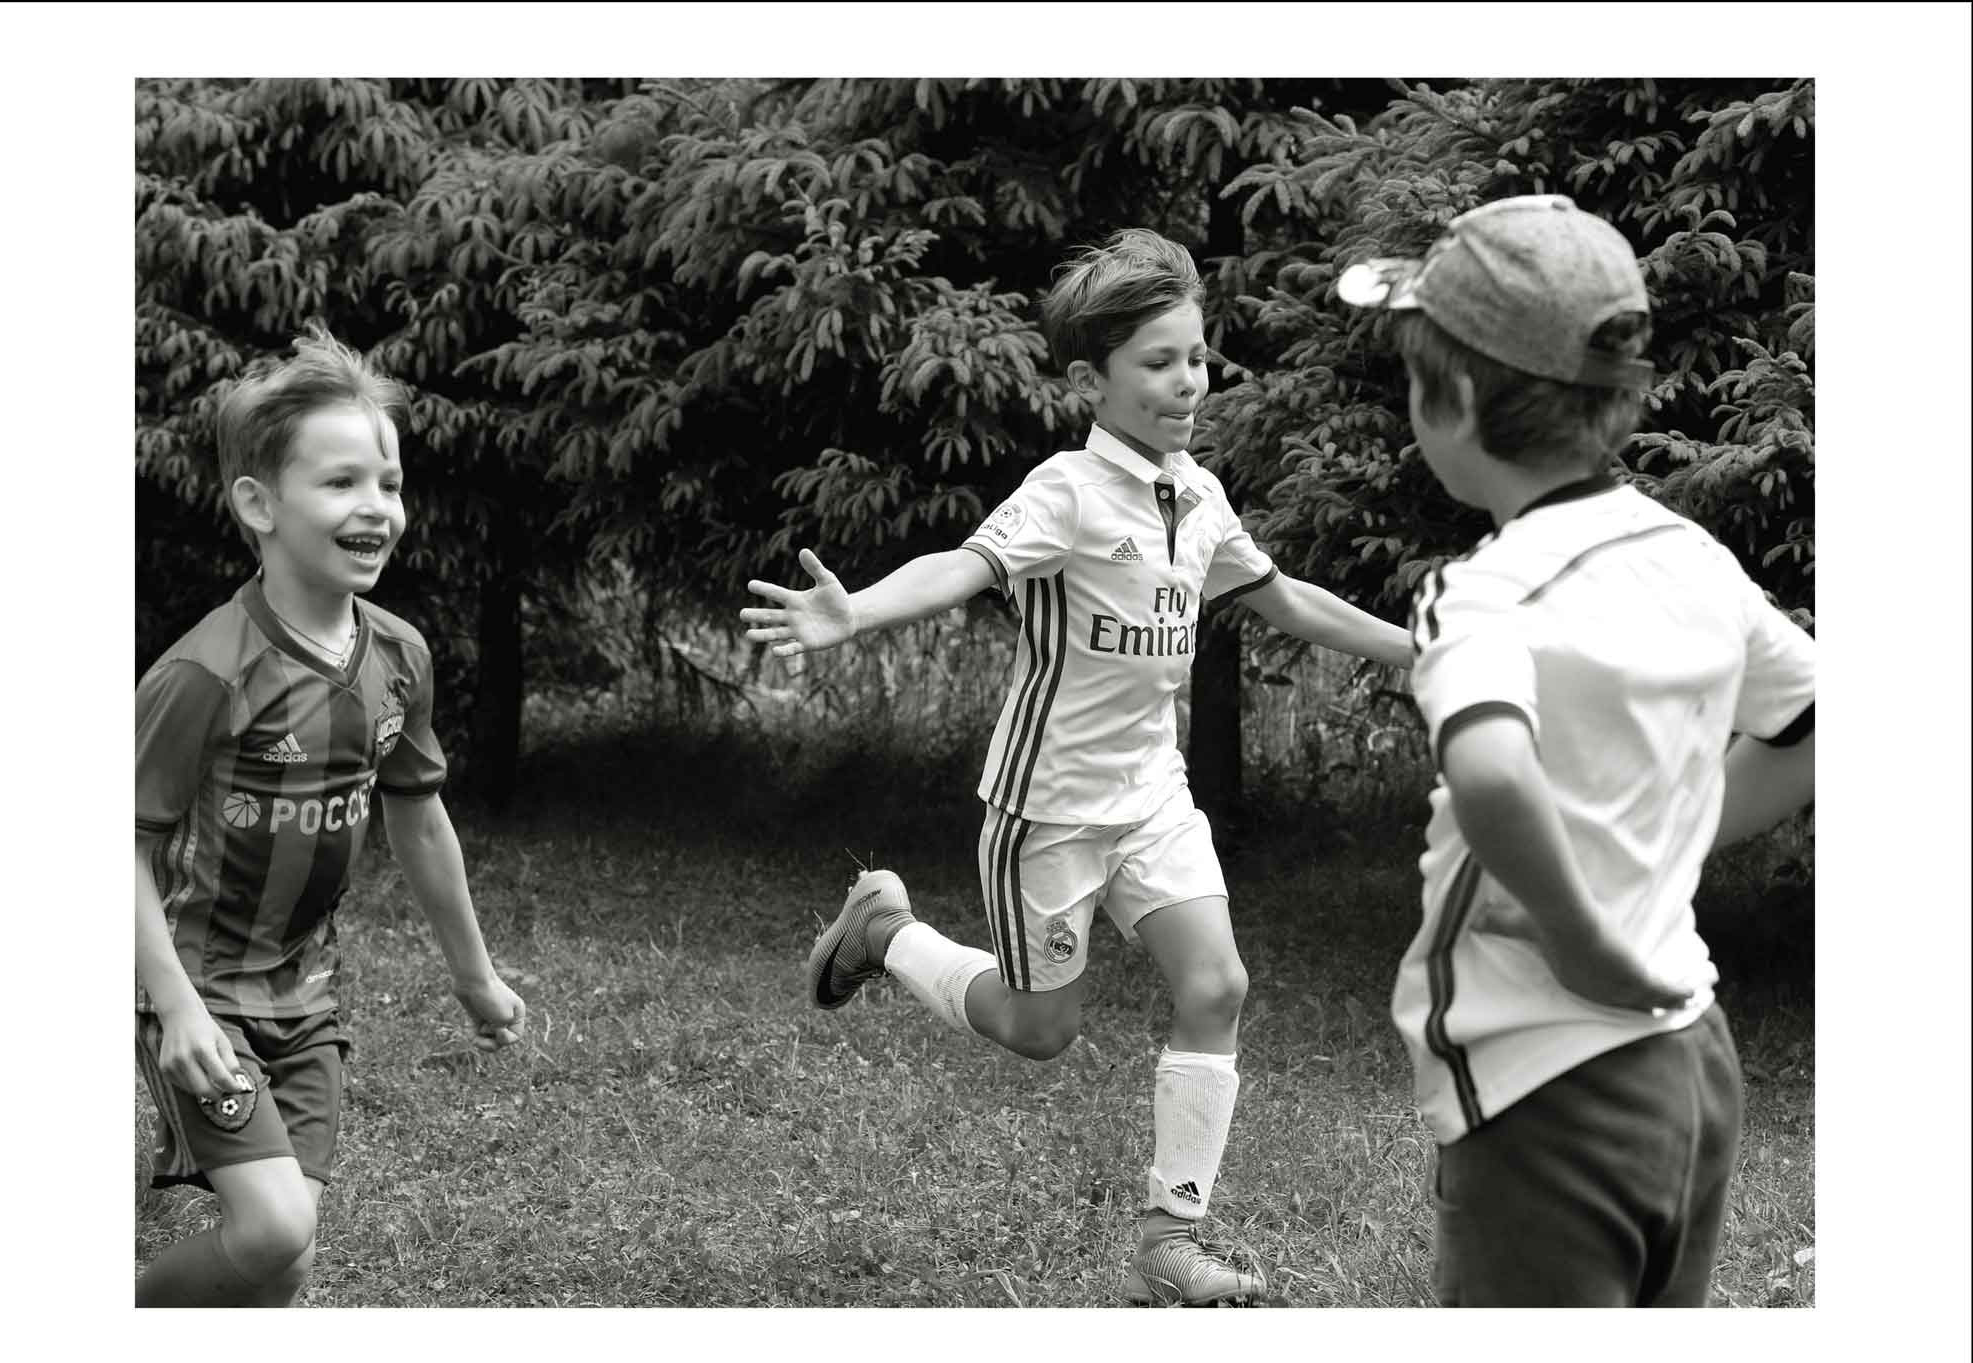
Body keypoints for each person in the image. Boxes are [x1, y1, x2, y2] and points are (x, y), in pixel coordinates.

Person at [741, 229, 1412, 1305]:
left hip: (1153, 800)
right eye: (1158, 362)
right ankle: (885, 928)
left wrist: (1415, 651)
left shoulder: (1199, 497)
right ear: (1091, 382)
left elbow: (1285, 599)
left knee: (1218, 984)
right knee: (1038, 1031)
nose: (1186, 381)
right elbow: (963, 566)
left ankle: (1168, 1242)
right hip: (1046, 813)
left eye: (1196, 357)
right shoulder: (1065, 491)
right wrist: (855, 608)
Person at [1335, 193, 1817, 1306]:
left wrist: (1582, 933)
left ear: (1448, 399)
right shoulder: (1686, 552)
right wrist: (1654, 855)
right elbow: (1815, 729)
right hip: (1692, 1066)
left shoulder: (1482, 591)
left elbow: (1494, 769)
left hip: (1547, 1091)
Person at [134, 326, 527, 1306]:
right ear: (258, 504)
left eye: (388, 483)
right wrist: (174, 1003)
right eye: (342, 482)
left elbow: (421, 822)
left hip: (309, 1007)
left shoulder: (400, 655)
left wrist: (475, 978)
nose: (378, 508)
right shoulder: (204, 671)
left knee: (283, 1262)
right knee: (273, 1227)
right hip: (201, 996)